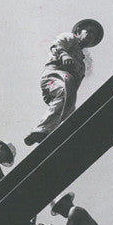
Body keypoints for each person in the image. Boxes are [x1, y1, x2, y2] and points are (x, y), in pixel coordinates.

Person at [24, 18, 104, 146]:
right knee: (65, 87)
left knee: (70, 111)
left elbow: (75, 87)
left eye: (93, 36)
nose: (90, 36)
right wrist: (64, 54)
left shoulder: (82, 65)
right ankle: (41, 128)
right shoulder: (70, 38)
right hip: (54, 75)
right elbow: (56, 46)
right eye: (88, 31)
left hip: (67, 86)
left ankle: (64, 138)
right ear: (78, 31)